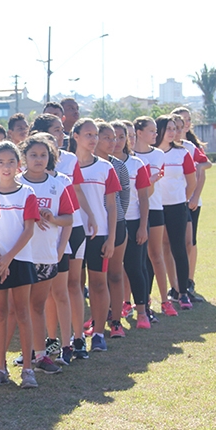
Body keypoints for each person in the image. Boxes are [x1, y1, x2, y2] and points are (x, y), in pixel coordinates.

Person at [19, 135, 74, 376]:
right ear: (25, 158)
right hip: (20, 256)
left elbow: (69, 219)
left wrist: (53, 220)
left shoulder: (57, 185)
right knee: (17, 309)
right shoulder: (16, 183)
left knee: (38, 306)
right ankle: (25, 353)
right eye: (33, 155)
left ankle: (40, 355)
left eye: (43, 155)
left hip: (46, 255)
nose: (38, 159)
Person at [0, 141, 40, 389]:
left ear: (18, 164)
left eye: (11, 162)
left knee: (22, 313)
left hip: (20, 259)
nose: (6, 167)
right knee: (0, 315)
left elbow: (29, 230)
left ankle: (28, 369)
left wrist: (8, 258)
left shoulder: (27, 193)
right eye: (1, 162)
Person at [69, 118, 121, 352]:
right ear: (75, 136)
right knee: (74, 284)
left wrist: (111, 238)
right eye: (88, 134)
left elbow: (112, 206)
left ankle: (99, 333)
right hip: (72, 233)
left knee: (99, 284)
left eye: (95, 135)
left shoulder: (105, 167)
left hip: (99, 235)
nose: (93, 139)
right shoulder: (65, 164)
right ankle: (75, 333)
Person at [111, 120, 152, 329]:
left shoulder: (137, 164)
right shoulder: (103, 165)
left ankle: (143, 312)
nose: (116, 141)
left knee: (135, 268)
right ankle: (113, 313)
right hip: (110, 226)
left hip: (134, 222)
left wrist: (143, 226)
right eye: (112, 137)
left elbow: (144, 198)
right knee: (111, 272)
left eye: (120, 137)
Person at [153, 115, 197, 310]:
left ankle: (183, 292)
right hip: (155, 208)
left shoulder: (182, 153)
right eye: (168, 128)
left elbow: (192, 182)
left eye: (174, 128)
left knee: (178, 248)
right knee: (158, 250)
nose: (172, 132)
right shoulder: (150, 154)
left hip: (177, 207)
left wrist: (181, 200)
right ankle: (170, 289)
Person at [132, 116, 173, 319]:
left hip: (154, 209)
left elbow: (150, 190)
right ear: (139, 132)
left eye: (157, 131)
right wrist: (148, 182)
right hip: (132, 212)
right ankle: (132, 302)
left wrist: (149, 184)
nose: (156, 135)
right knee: (133, 262)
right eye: (152, 131)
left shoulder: (158, 155)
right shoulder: (129, 156)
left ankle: (165, 301)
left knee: (156, 255)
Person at [94, 122, 130, 338]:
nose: (112, 142)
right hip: (93, 229)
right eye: (106, 137)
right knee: (96, 279)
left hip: (117, 226)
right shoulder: (82, 164)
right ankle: (97, 320)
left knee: (116, 275)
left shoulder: (118, 165)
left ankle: (116, 321)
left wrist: (117, 219)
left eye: (114, 138)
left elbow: (124, 195)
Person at [171, 109, 211, 302]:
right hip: (173, 202)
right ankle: (175, 285)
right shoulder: (165, 147)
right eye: (178, 125)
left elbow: (204, 167)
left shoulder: (191, 146)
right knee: (170, 245)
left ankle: (188, 281)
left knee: (189, 242)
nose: (183, 126)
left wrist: (194, 196)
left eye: (187, 121)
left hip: (190, 201)